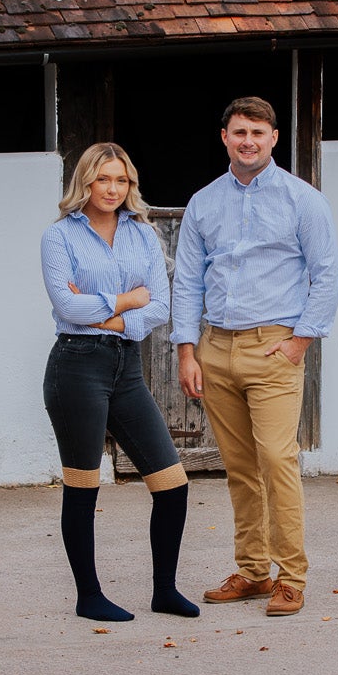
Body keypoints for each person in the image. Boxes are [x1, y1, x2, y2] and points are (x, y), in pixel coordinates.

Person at [172, 97, 338, 618]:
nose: (248, 141)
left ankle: (291, 577)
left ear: (273, 138)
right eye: (239, 132)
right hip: (216, 348)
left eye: (258, 132)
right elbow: (188, 280)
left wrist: (299, 342)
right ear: (224, 136)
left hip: (274, 348)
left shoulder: (303, 200)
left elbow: (327, 275)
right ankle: (252, 572)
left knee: (276, 460)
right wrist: (187, 351)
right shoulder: (203, 203)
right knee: (240, 467)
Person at [39, 143, 197, 623]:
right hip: (75, 367)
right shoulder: (59, 236)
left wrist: (105, 313)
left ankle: (164, 591)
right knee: (83, 485)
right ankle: (89, 596)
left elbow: (160, 306)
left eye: (121, 180)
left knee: (172, 483)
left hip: (126, 368)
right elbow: (68, 308)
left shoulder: (143, 234)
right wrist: (128, 300)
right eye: (103, 179)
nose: (112, 189)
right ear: (85, 182)